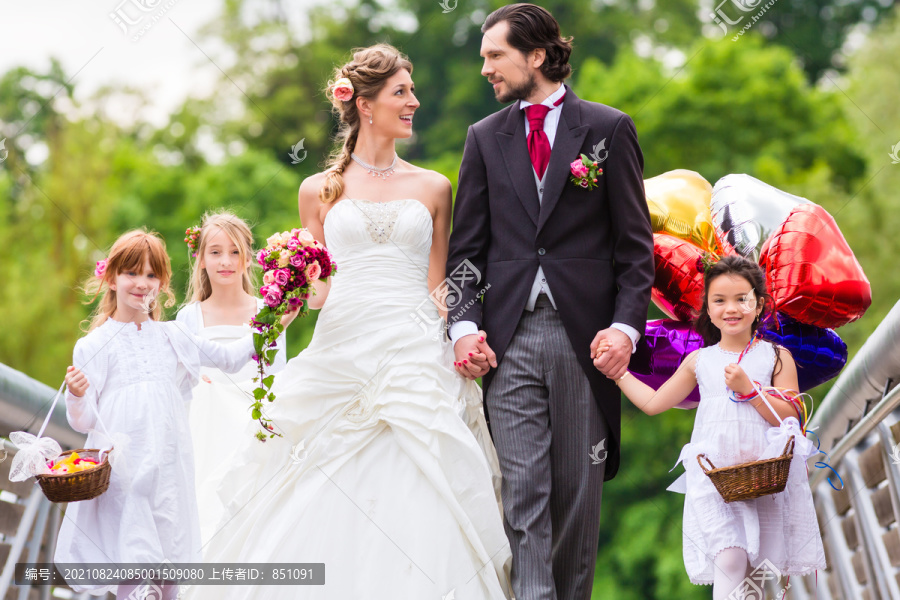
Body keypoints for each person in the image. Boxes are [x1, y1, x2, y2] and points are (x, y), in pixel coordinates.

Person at [188, 44, 511, 599]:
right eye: (400, 92)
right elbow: (319, 296)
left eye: (410, 90)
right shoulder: (318, 191)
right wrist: (288, 291)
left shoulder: (434, 187)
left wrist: (467, 332)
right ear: (364, 104)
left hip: (414, 352)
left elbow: (441, 286)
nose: (414, 101)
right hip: (340, 348)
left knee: (423, 484)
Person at [446, 4, 655, 598]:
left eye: (494, 55)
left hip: (587, 342)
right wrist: (462, 327)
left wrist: (625, 330)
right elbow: (467, 251)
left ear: (535, 56)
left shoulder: (609, 129)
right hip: (507, 342)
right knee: (523, 493)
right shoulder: (484, 139)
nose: (485, 68)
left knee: (577, 498)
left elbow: (635, 251)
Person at [605, 255, 826, 599]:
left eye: (742, 299)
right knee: (731, 557)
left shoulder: (775, 356)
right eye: (719, 300)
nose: (731, 309)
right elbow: (653, 404)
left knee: (754, 571)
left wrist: (750, 390)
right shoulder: (700, 361)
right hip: (715, 478)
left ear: (760, 305)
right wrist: (619, 374)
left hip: (764, 475)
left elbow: (791, 416)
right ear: (707, 309)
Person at [56, 230, 259, 599]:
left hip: (169, 470)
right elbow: (83, 422)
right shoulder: (94, 345)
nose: (141, 284)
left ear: (162, 283)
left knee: (169, 573)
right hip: (126, 475)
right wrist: (76, 394)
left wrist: (275, 320)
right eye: (132, 273)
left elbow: (228, 359)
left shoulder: (172, 335)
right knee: (135, 570)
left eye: (152, 275)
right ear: (111, 278)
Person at [176, 210, 290, 546]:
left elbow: (276, 374)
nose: (225, 261)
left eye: (235, 251)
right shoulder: (189, 316)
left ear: (248, 258)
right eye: (215, 252)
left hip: (250, 428)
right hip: (203, 431)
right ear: (200, 260)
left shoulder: (267, 312)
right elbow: (183, 380)